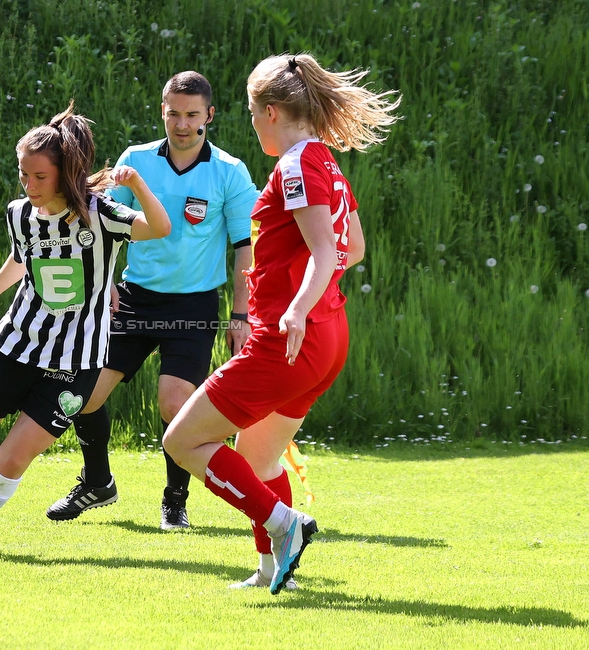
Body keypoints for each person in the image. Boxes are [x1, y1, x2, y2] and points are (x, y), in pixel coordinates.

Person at [163, 53, 400, 593]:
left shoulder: (294, 165)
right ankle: (275, 569)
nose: (250, 123)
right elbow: (352, 248)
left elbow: (324, 251)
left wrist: (294, 305)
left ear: (271, 111)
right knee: (260, 456)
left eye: (250, 112)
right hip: (328, 336)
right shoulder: (326, 163)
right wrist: (304, 290)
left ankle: (286, 525)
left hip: (290, 337)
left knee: (181, 441)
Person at [0, 102, 170, 558]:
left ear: (65, 173)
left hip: (77, 364)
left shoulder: (102, 214)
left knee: (14, 458)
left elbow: (160, 226)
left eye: (39, 177)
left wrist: (137, 184)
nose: (29, 186)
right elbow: (23, 258)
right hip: (17, 343)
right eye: (23, 175)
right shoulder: (19, 213)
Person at [45, 71, 259, 530]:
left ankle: (175, 501)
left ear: (209, 116)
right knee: (83, 395)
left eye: (192, 115)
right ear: (162, 112)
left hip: (194, 306)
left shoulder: (230, 172)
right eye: (174, 114)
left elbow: (246, 247)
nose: (182, 124)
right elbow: (99, 225)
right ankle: (97, 483)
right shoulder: (135, 161)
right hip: (134, 300)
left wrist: (242, 314)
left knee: (174, 404)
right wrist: (105, 289)